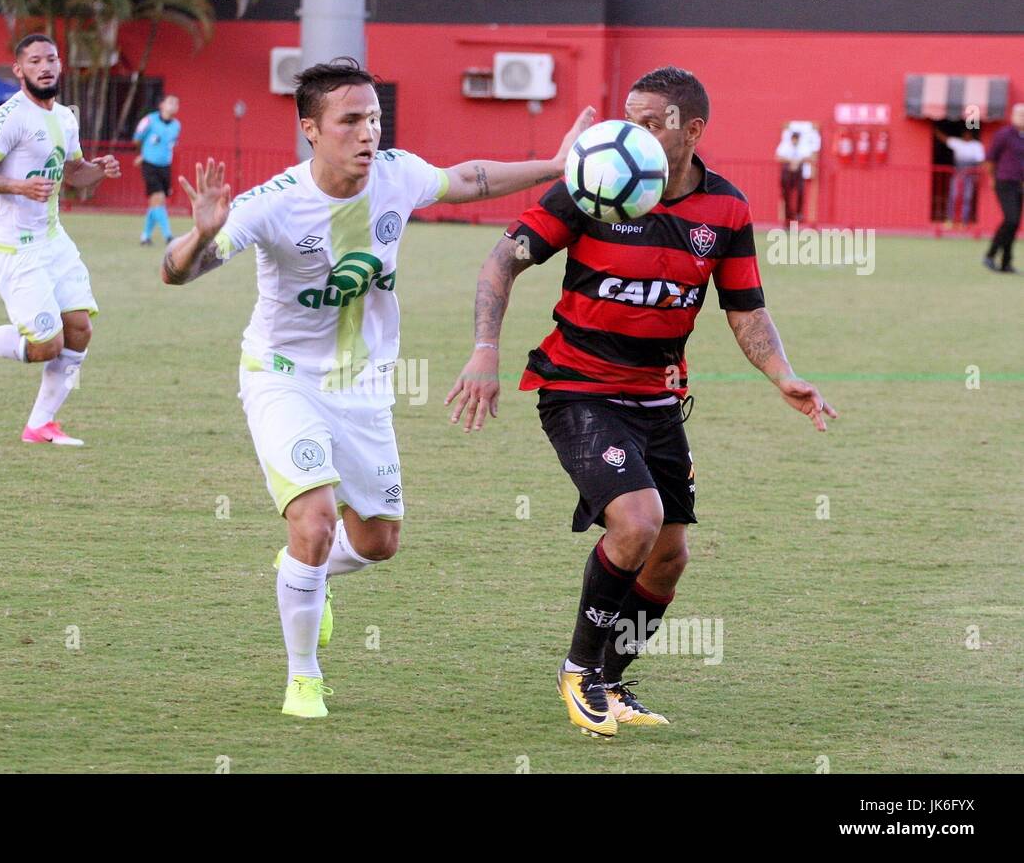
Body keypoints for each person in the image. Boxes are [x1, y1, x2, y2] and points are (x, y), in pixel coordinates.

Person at [161, 57, 594, 719]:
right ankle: (303, 678)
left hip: (361, 387)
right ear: (311, 128)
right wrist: (201, 235)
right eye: (351, 120)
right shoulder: (273, 203)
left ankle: (308, 573)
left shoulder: (395, 175)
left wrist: (554, 165)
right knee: (314, 518)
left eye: (374, 118)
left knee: (378, 541)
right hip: (282, 378)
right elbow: (174, 274)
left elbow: (467, 179)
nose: (368, 132)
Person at [447, 66, 837, 738]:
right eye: (629, 121)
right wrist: (486, 347)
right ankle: (577, 670)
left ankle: (611, 681)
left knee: (669, 556)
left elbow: (745, 311)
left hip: (657, 401)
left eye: (651, 123)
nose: (635, 135)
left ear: (692, 131)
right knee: (637, 521)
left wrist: (782, 374)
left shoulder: (726, 210)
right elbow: (502, 260)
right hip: (577, 388)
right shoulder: (590, 188)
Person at [0, 34, 121, 445]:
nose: (46, 66)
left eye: (51, 58)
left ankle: (40, 425)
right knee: (45, 346)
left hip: (54, 240)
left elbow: (73, 174)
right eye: (35, 61)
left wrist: (99, 169)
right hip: (14, 247)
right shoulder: (8, 116)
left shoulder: (66, 118)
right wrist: (20, 186)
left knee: (80, 328)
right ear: (19, 70)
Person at [133, 94, 180, 245]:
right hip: (150, 164)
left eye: (176, 103)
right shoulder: (150, 120)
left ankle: (145, 236)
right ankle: (168, 236)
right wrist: (142, 155)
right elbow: (137, 138)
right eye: (170, 102)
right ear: (162, 105)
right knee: (158, 198)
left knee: (156, 203)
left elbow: (170, 144)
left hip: (165, 166)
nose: (173, 105)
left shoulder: (177, 126)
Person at [984, 103, 1024, 273]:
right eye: (1021, 115)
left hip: (1019, 184)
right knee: (1011, 219)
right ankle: (990, 254)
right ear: (1013, 116)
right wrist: (992, 178)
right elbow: (990, 158)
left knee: (1014, 224)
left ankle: (1006, 262)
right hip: (1004, 182)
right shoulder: (1004, 135)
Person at [937, 128, 984, 227]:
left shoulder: (976, 145)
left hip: (970, 175)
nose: (966, 135)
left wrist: (978, 175)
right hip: (958, 174)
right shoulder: (958, 143)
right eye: (965, 133)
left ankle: (964, 221)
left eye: (968, 133)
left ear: (972, 134)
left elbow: (981, 162)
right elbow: (945, 139)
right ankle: (950, 219)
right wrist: (934, 129)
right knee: (953, 196)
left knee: (967, 197)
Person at [775, 129, 810, 227]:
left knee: (800, 192)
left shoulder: (803, 146)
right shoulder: (785, 145)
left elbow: (808, 156)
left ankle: (798, 214)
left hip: (798, 173)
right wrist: (790, 161)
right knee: (786, 195)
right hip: (787, 172)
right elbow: (778, 156)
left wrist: (798, 161)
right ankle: (788, 217)